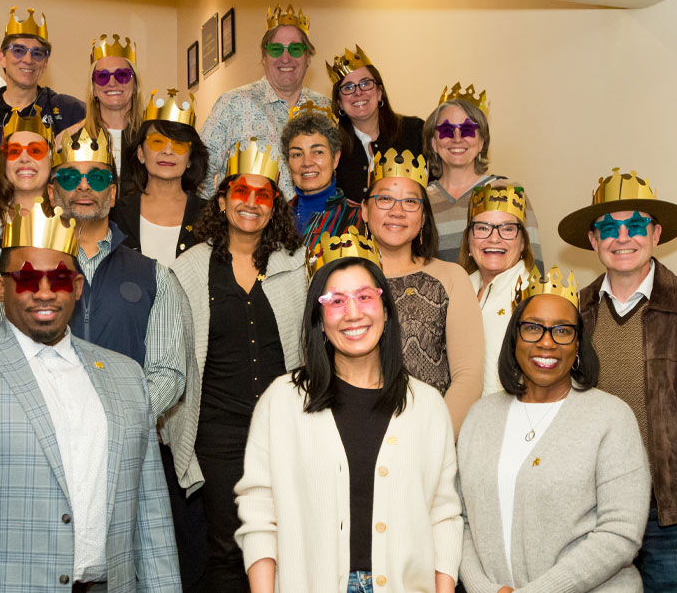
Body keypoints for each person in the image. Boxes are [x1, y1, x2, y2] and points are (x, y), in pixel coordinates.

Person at [0, 199, 181, 592]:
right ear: (0, 288)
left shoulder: (126, 376)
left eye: (59, 279)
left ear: (76, 287)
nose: (45, 293)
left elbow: (152, 520)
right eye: (27, 279)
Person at [236, 231, 462, 592]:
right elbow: (259, 514)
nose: (353, 313)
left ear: (386, 309)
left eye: (365, 296)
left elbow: (444, 514)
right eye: (336, 301)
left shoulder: (428, 405)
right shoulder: (282, 402)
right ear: (319, 318)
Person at [557, 168, 677, 592]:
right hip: (594, 510)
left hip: (674, 515)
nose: (623, 237)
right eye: (609, 228)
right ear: (593, 240)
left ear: (655, 234)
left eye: (636, 225)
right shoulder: (572, 312)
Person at [168, 139, 306, 592]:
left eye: (263, 194)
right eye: (241, 191)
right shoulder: (189, 269)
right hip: (218, 433)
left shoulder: (297, 267)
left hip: (284, 427)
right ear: (223, 199)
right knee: (228, 548)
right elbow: (174, 353)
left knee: (289, 541)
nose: (251, 202)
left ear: (275, 205)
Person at [457, 267, 650, 592]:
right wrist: (483, 589)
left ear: (577, 343)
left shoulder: (611, 418)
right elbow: (461, 520)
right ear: (514, 338)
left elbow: (620, 532)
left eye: (562, 330)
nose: (546, 343)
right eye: (532, 328)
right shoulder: (479, 417)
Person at [46, 126, 192, 417]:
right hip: (44, 432)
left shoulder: (154, 276)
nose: (84, 186)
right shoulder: (24, 271)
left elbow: (168, 372)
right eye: (70, 177)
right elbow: (4, 356)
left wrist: (121, 419)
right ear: (52, 193)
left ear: (112, 194)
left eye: (98, 178)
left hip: (125, 431)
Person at [361, 148, 484, 435]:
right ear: (365, 210)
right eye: (385, 199)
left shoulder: (451, 277)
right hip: (356, 438)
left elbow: (468, 378)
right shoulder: (340, 280)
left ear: (424, 217)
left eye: (410, 201)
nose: (397, 211)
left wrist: (432, 442)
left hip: (431, 440)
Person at [200, 5, 330, 200]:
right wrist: (219, 213)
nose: (285, 58)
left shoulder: (325, 108)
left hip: (316, 219)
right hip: (249, 218)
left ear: (308, 57)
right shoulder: (232, 104)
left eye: (295, 49)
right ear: (264, 55)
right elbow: (201, 173)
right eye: (276, 49)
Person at [423, 84, 542, 265]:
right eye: (447, 130)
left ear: (481, 142)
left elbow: (533, 265)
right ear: (433, 143)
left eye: (468, 130)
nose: (457, 138)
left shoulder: (509, 192)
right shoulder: (418, 200)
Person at [0, 106, 54, 324]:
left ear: (51, 160)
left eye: (35, 151)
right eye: (15, 151)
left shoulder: (68, 224)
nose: (24, 158)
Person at [112, 89, 207, 266]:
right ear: (140, 153)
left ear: (190, 159)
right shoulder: (117, 214)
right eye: (157, 142)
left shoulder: (209, 215)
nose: (168, 151)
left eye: (179, 144)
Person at [0, 7, 85, 155]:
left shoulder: (65, 110)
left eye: (37, 53)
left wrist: (80, 126)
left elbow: (105, 118)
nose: (28, 60)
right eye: (18, 51)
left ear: (45, 63)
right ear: (2, 58)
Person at [463, 184, 535, 398]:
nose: (494, 238)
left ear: (523, 242)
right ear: (469, 239)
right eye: (483, 228)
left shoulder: (535, 294)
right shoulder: (457, 288)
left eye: (507, 229)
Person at [326, 45, 424, 203]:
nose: (358, 92)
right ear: (340, 103)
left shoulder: (415, 131)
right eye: (348, 87)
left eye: (365, 83)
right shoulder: (332, 148)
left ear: (379, 92)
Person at [281, 103, 363, 249]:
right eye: (297, 154)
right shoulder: (276, 217)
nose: (307, 162)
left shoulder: (358, 217)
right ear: (288, 162)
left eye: (318, 152)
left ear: (335, 158)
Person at [84, 34, 142, 177]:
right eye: (102, 76)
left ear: (135, 85)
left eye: (122, 75)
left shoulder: (151, 138)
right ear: (93, 89)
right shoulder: (77, 139)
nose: (112, 83)